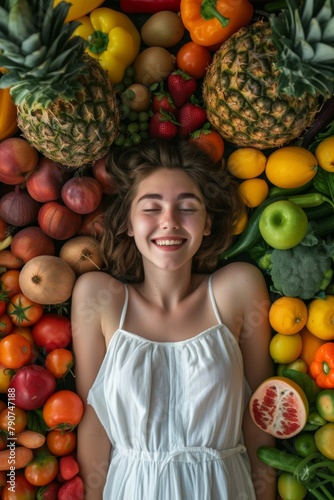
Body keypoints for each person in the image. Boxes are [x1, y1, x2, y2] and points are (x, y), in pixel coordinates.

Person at [71, 138, 276, 500]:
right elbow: (94, 424)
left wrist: (267, 492)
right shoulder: (98, 298)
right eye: (151, 208)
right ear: (130, 224)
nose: (169, 222)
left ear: (208, 223)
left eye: (187, 207)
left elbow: (259, 413)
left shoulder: (237, 289)